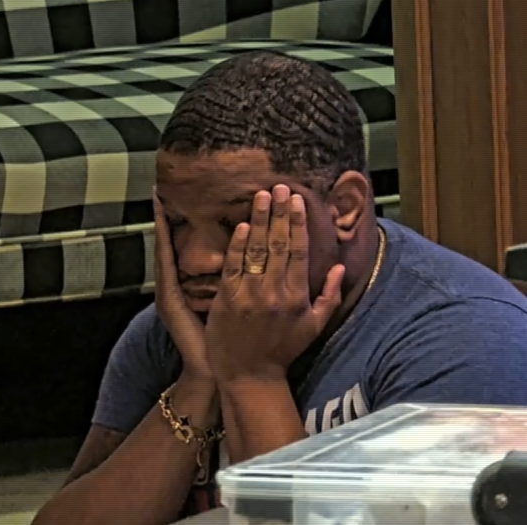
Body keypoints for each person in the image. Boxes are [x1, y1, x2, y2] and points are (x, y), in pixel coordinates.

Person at [32, 51, 527, 525]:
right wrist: (201, 379)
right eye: (177, 222)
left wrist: (252, 375)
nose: (194, 260)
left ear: (345, 207)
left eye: (238, 223)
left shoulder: (467, 339)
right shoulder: (173, 332)